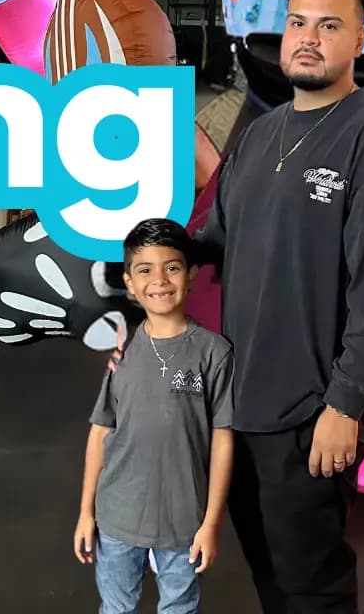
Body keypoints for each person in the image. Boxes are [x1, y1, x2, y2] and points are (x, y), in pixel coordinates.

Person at [193, 0, 364, 613]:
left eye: (329, 26)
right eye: (298, 23)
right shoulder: (260, 135)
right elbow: (212, 242)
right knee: (268, 568)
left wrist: (346, 406)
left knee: (310, 586)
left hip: (311, 413)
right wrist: (133, 284)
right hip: (242, 403)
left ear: (359, 40)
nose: (308, 38)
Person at [74, 218, 235, 614]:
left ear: (191, 275)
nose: (159, 280)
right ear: (129, 283)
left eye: (172, 267)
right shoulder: (122, 348)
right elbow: (100, 432)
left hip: (184, 522)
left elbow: (223, 440)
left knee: (180, 608)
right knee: (116, 607)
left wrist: (211, 524)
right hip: (117, 518)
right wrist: (85, 512)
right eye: (145, 270)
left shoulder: (215, 352)